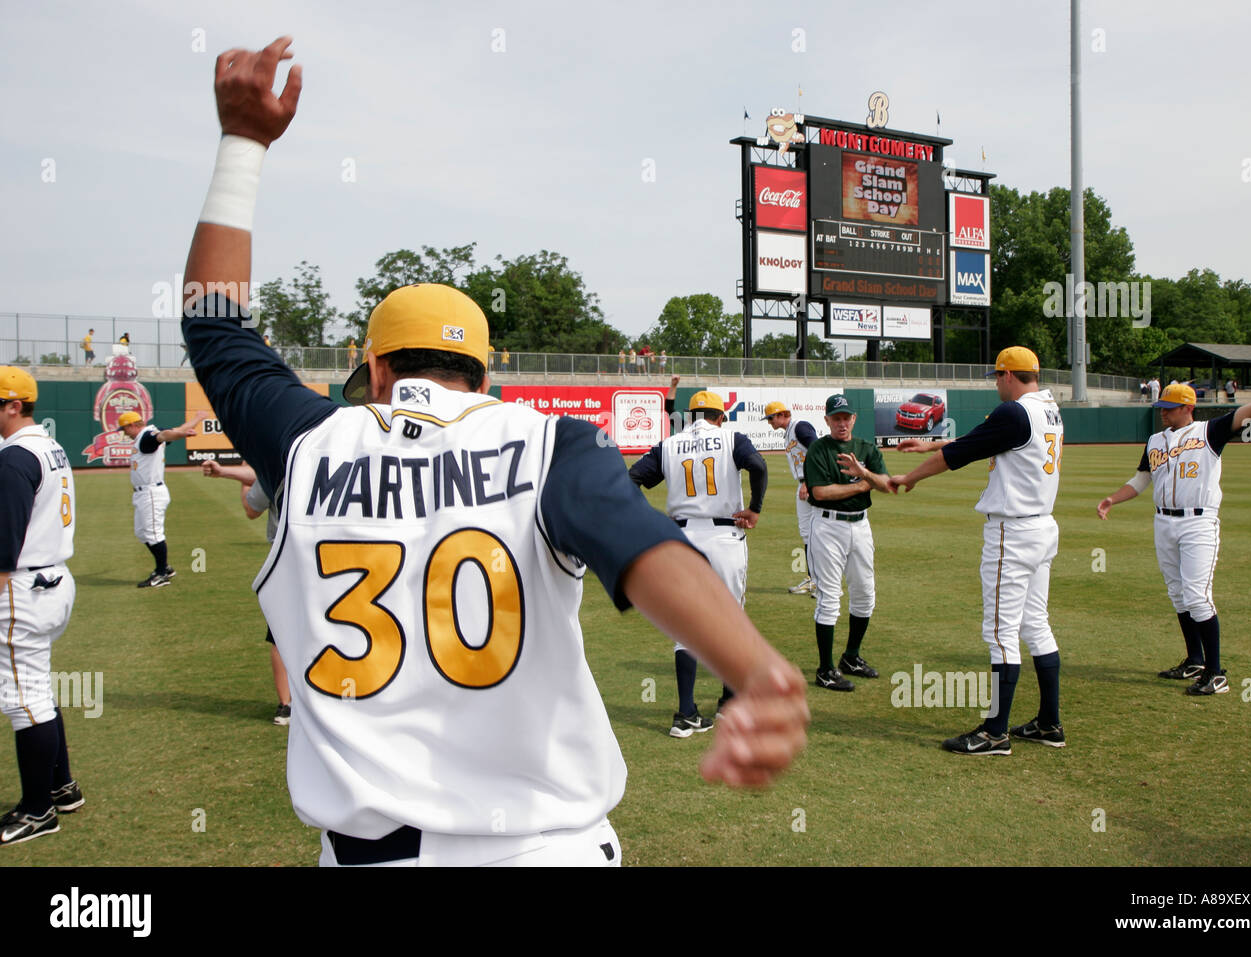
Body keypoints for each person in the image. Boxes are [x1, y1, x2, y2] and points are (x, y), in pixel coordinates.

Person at [179, 35, 807, 867]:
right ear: (485, 372)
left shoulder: (308, 441)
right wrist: (753, 665)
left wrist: (243, 142)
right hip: (551, 850)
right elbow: (648, 547)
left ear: (375, 367)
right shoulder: (548, 441)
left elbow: (213, 324)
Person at [890, 347, 1064, 755]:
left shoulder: (1014, 411)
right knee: (1036, 624)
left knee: (1001, 633)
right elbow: (985, 441)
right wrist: (932, 446)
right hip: (1042, 526)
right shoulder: (1048, 408)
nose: (995, 383)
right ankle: (1049, 722)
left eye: (997, 376)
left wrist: (911, 477)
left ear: (1008, 375)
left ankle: (995, 732)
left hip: (1013, 532)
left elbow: (960, 455)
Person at [1096, 353, 1251, 695]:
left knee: (1197, 595)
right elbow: (1141, 480)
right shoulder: (1155, 441)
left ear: (1187, 408)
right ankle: (1194, 660)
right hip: (1163, 523)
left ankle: (1216, 673)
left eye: (1169, 407)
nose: (1163, 411)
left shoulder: (1211, 431)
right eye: (1162, 406)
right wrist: (1113, 499)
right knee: (1178, 595)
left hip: (1198, 524)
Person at [629, 391, 767, 734]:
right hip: (723, 536)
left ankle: (686, 714)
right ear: (720, 417)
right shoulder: (731, 437)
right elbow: (758, 465)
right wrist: (755, 507)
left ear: (691, 417)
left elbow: (631, 478)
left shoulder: (670, 444)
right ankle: (729, 701)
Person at [0, 367, 84, 846]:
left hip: (24, 586)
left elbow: (3, 545)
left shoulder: (15, 457)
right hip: (52, 580)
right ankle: (61, 785)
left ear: (15, 406)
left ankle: (38, 811)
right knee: (36, 689)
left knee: (24, 700)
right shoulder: (48, 446)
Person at [803, 394, 892, 691]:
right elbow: (819, 493)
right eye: (836, 418)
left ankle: (851, 657)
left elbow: (886, 484)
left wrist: (864, 475)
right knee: (829, 598)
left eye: (846, 417)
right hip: (827, 525)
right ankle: (825, 669)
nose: (842, 423)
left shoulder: (866, 448)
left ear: (854, 419)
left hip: (861, 525)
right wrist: (864, 484)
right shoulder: (819, 449)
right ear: (827, 420)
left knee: (866, 593)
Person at [201, 460, 292, 724]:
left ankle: (285, 706)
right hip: (332, 555)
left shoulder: (276, 464)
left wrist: (242, 482)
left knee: (280, 634)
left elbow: (252, 509)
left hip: (286, 556)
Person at [117, 409, 206, 588]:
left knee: (153, 534)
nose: (124, 433)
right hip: (144, 493)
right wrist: (196, 419)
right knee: (142, 533)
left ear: (132, 425)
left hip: (151, 493)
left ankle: (161, 574)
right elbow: (175, 430)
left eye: (124, 429)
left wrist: (181, 434)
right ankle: (165, 567)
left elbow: (164, 435)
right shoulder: (147, 434)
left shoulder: (147, 436)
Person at [763, 401, 819, 595]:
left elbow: (817, 450)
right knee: (807, 533)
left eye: (770, 418)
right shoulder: (789, 433)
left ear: (780, 415)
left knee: (818, 531)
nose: (769, 422)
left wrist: (809, 482)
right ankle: (814, 580)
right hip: (804, 484)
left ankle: (823, 581)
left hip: (812, 484)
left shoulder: (800, 426)